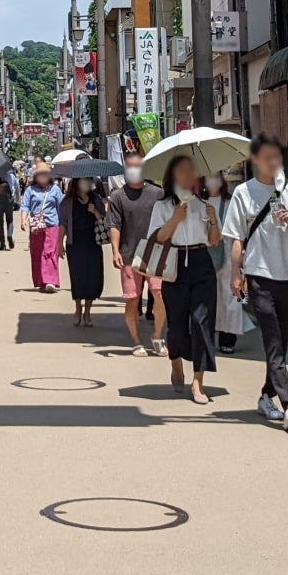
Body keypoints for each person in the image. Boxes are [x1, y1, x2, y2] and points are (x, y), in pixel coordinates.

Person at [224, 133, 288, 432]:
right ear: (255, 160)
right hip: (258, 274)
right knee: (273, 339)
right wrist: (236, 273)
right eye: (267, 157)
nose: (273, 162)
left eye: (277, 156)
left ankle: (266, 396)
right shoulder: (243, 193)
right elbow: (236, 238)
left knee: (282, 340)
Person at [149, 154, 223, 403]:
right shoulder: (163, 206)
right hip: (175, 263)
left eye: (191, 171)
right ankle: (176, 362)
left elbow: (214, 241)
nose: (188, 175)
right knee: (178, 322)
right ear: (172, 176)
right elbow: (158, 238)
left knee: (202, 322)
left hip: (202, 263)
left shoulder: (203, 204)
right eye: (182, 171)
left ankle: (198, 382)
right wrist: (175, 218)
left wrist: (212, 219)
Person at [105, 159, 167, 356]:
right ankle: (136, 341)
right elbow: (114, 225)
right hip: (129, 255)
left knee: (160, 294)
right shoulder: (118, 196)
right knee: (132, 299)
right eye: (130, 166)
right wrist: (115, 250)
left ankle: (157, 336)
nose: (134, 170)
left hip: (155, 253)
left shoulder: (158, 193)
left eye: (138, 166)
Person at [61, 176, 108, 325]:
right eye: (84, 181)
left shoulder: (95, 199)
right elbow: (62, 223)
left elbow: (105, 219)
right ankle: (78, 308)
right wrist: (58, 243)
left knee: (92, 278)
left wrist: (95, 212)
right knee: (78, 278)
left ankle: (88, 312)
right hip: (75, 245)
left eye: (89, 181)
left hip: (93, 244)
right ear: (77, 183)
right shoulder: (68, 202)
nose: (88, 183)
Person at [205, 173, 243, 352]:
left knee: (230, 297)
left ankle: (228, 338)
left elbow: (238, 230)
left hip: (229, 254)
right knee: (209, 298)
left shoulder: (231, 203)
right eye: (208, 177)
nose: (212, 181)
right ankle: (208, 334)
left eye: (215, 177)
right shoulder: (198, 203)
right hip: (205, 254)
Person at [19, 164, 64, 292]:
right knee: (38, 253)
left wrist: (63, 225)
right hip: (37, 227)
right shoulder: (30, 190)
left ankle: (51, 281)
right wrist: (23, 220)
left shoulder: (55, 190)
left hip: (52, 225)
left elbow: (61, 208)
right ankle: (41, 281)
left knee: (50, 253)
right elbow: (25, 206)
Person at [0, 175, 17, 250]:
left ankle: (2, 244)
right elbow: (15, 185)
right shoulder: (11, 175)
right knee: (10, 220)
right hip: (9, 200)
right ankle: (9, 235)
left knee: (0, 223)